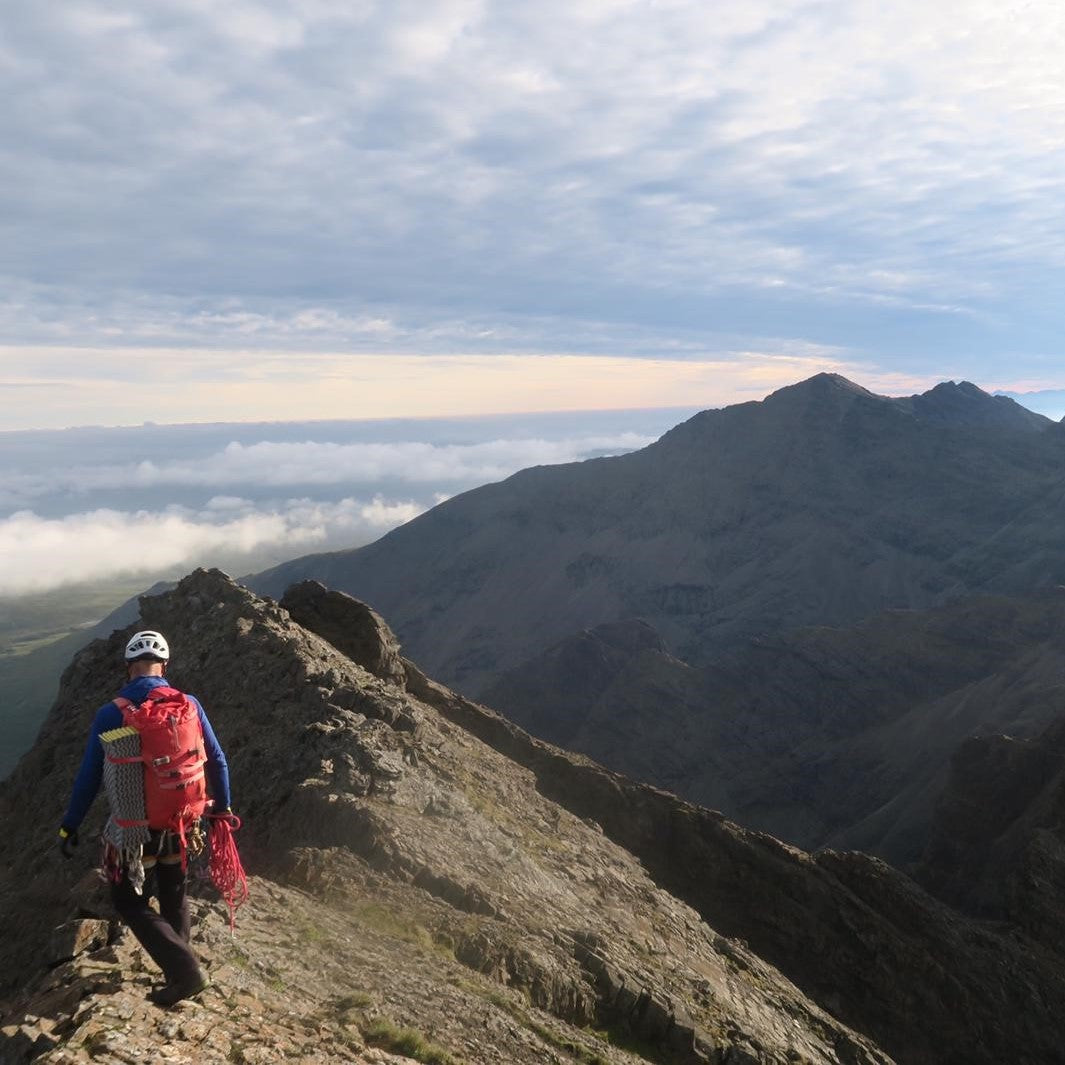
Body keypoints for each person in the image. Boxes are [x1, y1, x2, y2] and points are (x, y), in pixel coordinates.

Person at [58, 629, 231, 1006]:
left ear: (129, 668)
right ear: (164, 666)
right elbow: (216, 759)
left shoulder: (112, 713)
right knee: (174, 893)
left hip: (135, 830)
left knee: (129, 901)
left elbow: (90, 774)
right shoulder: (190, 704)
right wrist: (223, 809)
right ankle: (180, 970)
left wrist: (70, 823)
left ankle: (184, 973)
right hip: (183, 821)